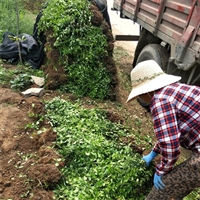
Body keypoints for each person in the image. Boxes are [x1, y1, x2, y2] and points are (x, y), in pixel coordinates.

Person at [127, 60, 200, 200]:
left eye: (139, 93)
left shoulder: (160, 101)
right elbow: (171, 133)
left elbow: (171, 146)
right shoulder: (174, 90)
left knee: (161, 193)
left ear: (146, 90)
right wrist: (154, 153)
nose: (139, 97)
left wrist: (162, 170)